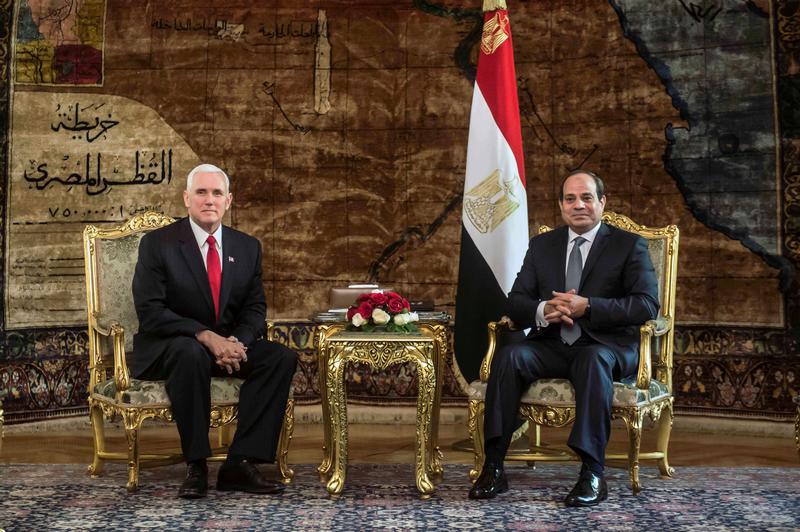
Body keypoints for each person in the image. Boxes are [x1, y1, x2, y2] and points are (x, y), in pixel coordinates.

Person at [468, 170, 660, 506]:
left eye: (587, 198)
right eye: (570, 199)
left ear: (602, 202)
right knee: (511, 356)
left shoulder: (628, 245)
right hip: (553, 343)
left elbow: (646, 304)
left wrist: (590, 307)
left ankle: (592, 473)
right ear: (561, 205)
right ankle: (494, 466)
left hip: (606, 346)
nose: (579, 205)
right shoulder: (543, 245)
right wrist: (543, 309)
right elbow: (516, 301)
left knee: (592, 359)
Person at [132, 163, 297, 499]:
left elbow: (255, 309)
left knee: (281, 358)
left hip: (226, 345)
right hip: (173, 346)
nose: (210, 200)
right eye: (201, 192)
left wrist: (238, 342)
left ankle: (240, 463)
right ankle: (196, 466)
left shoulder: (247, 247)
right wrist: (206, 336)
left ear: (228, 201)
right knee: (190, 352)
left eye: (217, 193)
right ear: (186, 198)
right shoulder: (158, 244)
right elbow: (151, 311)